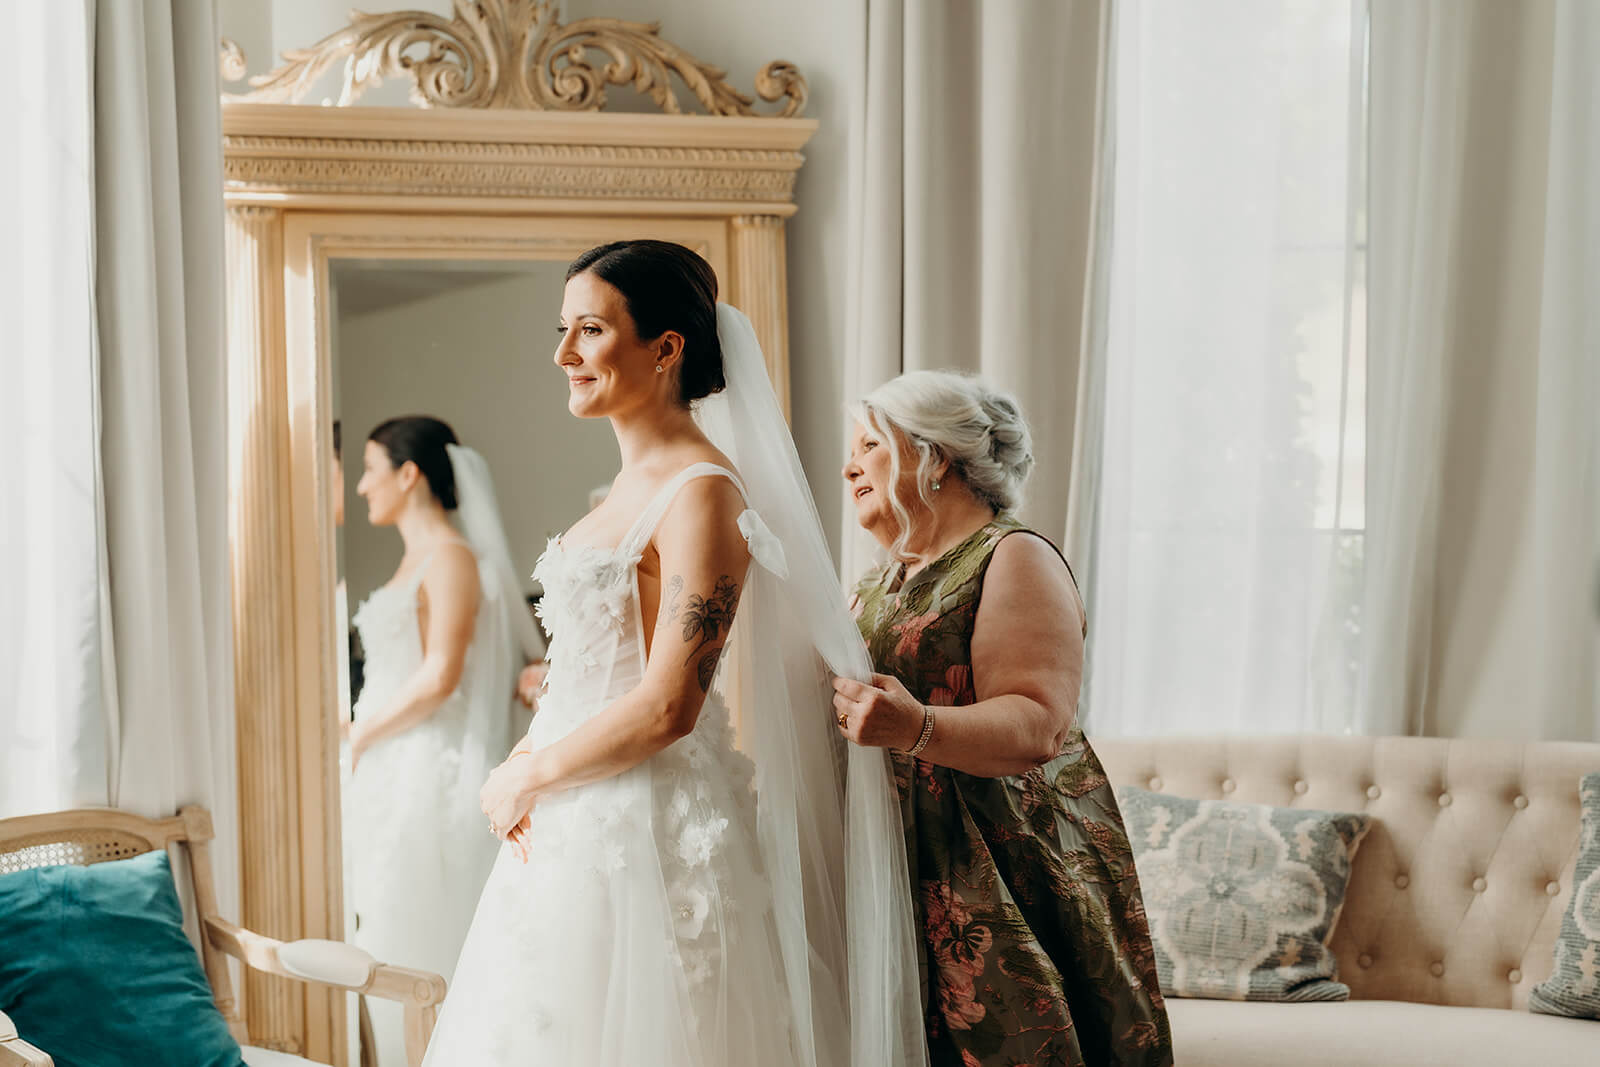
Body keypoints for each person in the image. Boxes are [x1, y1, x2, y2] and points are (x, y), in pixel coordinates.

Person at [422, 241, 925, 1067]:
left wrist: (525, 775)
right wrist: (527, 759)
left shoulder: (703, 493)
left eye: (589, 329)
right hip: (570, 821)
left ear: (665, 348)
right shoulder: (626, 487)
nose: (564, 355)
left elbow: (668, 705)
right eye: (563, 330)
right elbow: (588, 673)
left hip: (647, 830)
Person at [834, 371, 1173, 1066]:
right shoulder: (880, 579)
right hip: (900, 855)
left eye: (870, 444)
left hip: (1000, 862)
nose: (849, 465)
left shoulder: (1012, 554)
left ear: (934, 456)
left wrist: (913, 727)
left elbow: (1038, 721)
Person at [344, 415, 541, 1065]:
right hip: (392, 766)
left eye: (372, 468)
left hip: (426, 772)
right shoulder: (414, 560)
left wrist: (359, 730)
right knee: (380, 930)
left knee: (418, 932)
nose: (362, 484)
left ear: (409, 473)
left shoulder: (452, 558)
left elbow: (439, 675)